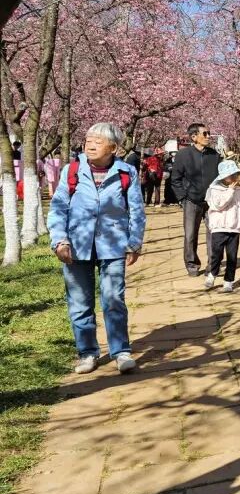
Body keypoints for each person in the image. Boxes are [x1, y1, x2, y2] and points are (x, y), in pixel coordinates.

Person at [47, 123, 146, 374]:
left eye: (98, 141)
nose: (90, 144)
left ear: (113, 148)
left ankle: (121, 351)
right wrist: (59, 240)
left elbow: (136, 210)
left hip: (113, 245)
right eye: (88, 139)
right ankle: (88, 352)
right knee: (80, 302)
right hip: (76, 245)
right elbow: (59, 207)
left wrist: (134, 242)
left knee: (113, 299)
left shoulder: (127, 173)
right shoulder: (72, 170)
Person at [171, 124, 220, 276]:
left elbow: (221, 177)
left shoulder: (214, 155)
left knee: (214, 234)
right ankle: (192, 264)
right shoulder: (183, 155)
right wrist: (183, 198)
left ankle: (212, 266)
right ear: (194, 137)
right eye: (204, 133)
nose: (208, 136)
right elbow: (175, 179)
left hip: (212, 201)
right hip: (191, 201)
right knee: (190, 234)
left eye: (209, 133)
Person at [205, 160, 240, 292]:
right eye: (231, 175)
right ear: (223, 176)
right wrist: (230, 190)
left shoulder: (239, 191)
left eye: (236, 174)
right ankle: (213, 274)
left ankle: (229, 281)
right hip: (219, 228)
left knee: (232, 257)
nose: (234, 177)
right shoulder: (214, 190)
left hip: (234, 229)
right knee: (216, 255)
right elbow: (218, 205)